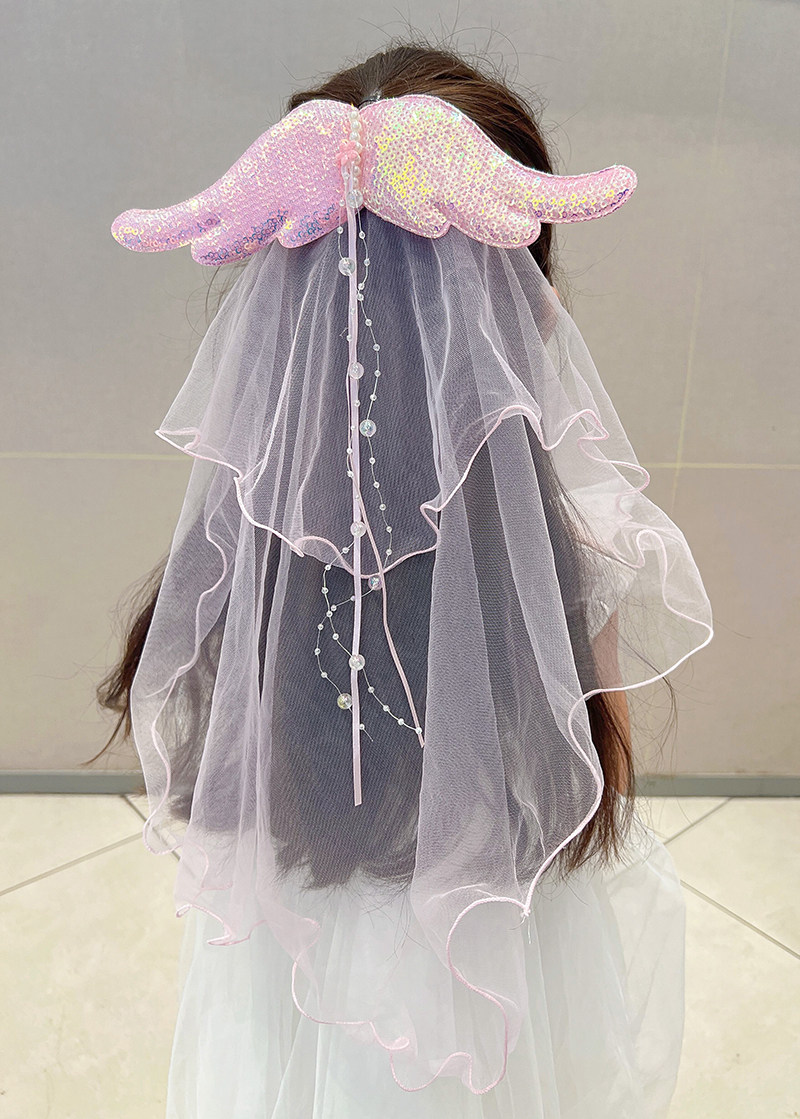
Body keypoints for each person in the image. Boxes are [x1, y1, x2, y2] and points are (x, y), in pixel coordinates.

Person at [94, 41, 713, 1119]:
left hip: (295, 948)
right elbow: (591, 787)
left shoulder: (252, 555)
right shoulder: (577, 553)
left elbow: (233, 795)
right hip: (498, 959)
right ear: (522, 301)